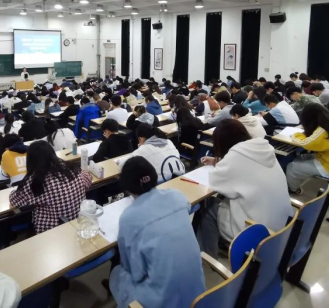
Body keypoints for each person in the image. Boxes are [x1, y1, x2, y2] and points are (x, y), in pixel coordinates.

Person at [110, 157, 205, 308]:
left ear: (127, 187)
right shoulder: (177, 195)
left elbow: (136, 272)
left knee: (116, 274)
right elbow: (186, 206)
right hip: (198, 295)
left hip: (163, 301)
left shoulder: (129, 218)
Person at [196, 119, 293, 257]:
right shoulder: (261, 149)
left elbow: (216, 182)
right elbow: (245, 169)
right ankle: (221, 244)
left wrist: (221, 163)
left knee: (208, 205)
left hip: (253, 231)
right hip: (280, 227)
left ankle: (208, 257)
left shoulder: (235, 156)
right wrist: (220, 162)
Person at [9, 141, 92, 233]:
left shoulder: (36, 182)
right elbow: (88, 179)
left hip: (52, 231)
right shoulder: (72, 168)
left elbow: (14, 201)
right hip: (79, 222)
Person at [119, 124, 185, 183]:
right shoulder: (169, 142)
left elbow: (123, 165)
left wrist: (140, 148)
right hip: (181, 176)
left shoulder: (143, 149)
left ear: (140, 139)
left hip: (161, 183)